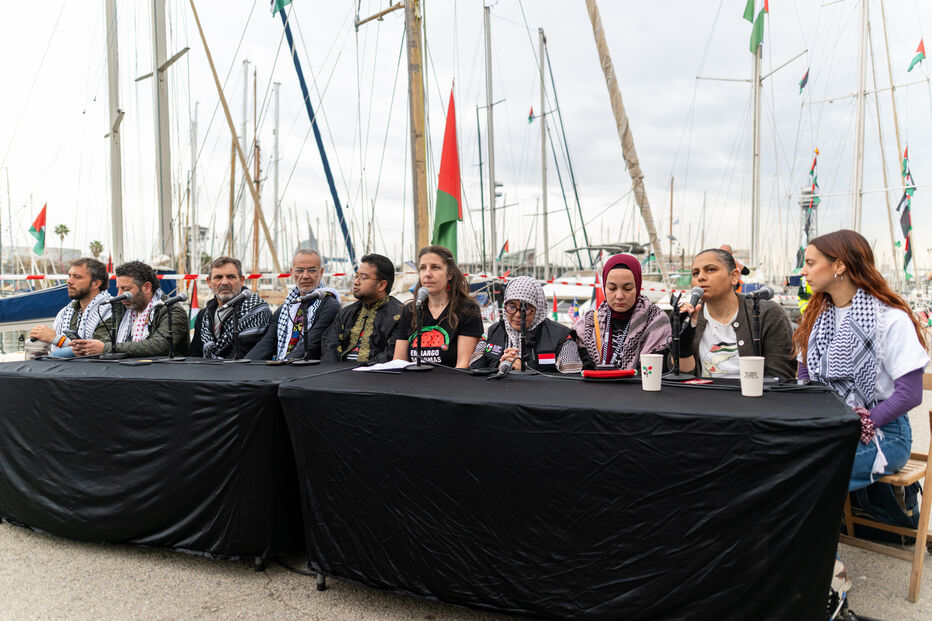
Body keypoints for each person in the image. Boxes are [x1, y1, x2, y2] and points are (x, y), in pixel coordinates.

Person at [795, 230, 929, 490]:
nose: (803, 271)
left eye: (810, 263)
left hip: (884, 431)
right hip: (827, 426)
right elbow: (804, 375)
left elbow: (911, 394)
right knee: (773, 461)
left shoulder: (889, 319)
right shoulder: (814, 318)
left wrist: (859, 422)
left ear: (839, 265)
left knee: (808, 471)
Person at [677, 248, 795, 378]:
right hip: (704, 396)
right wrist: (683, 342)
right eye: (695, 273)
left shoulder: (768, 314)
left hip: (754, 396)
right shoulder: (689, 318)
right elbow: (681, 375)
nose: (700, 277)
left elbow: (780, 376)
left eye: (711, 269)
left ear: (733, 277)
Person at [71, 260, 189, 357]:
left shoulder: (171, 310)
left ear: (147, 287)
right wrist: (88, 349)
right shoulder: (122, 308)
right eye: (118, 288)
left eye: (126, 289)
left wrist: (105, 348)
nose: (119, 295)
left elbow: (159, 345)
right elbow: (109, 340)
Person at [574, 253, 671, 370]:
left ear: (638, 286)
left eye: (627, 288)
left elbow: (660, 370)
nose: (619, 296)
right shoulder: (588, 322)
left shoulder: (656, 320)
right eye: (612, 288)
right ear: (604, 287)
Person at [392, 245, 483, 368]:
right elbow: (399, 362)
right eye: (423, 268)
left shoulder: (467, 309)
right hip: (413, 383)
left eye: (435, 267)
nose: (427, 274)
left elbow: (463, 365)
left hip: (450, 383)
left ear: (450, 274)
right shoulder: (410, 310)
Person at [470, 276, 581, 373]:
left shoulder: (562, 336)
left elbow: (571, 376)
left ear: (538, 308)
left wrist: (525, 368)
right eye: (512, 307)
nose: (518, 314)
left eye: (526, 308)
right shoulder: (492, 332)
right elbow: (474, 367)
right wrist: (499, 367)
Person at [246, 249, 340, 361]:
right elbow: (267, 343)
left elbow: (311, 345)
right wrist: (243, 366)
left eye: (312, 271)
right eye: (299, 271)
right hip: (286, 368)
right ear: (292, 272)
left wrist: (283, 366)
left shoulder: (330, 306)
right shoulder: (285, 308)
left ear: (321, 272)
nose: (305, 276)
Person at [321, 253, 402, 363]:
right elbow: (329, 345)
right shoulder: (346, 313)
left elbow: (391, 355)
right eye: (356, 276)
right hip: (340, 375)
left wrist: (362, 371)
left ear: (382, 285)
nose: (356, 282)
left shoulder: (399, 315)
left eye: (363, 277)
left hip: (377, 376)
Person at [28, 257, 112, 357]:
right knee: (32, 344)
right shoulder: (66, 312)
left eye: (77, 277)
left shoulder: (110, 310)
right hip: (66, 368)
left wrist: (55, 338)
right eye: (69, 276)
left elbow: (94, 350)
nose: (69, 281)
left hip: (94, 369)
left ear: (96, 284)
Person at [190, 256, 272, 359]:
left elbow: (244, 355)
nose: (224, 282)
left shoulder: (257, 312)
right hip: (205, 372)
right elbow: (195, 355)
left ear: (242, 280)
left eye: (231, 277)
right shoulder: (203, 316)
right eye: (218, 277)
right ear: (209, 282)